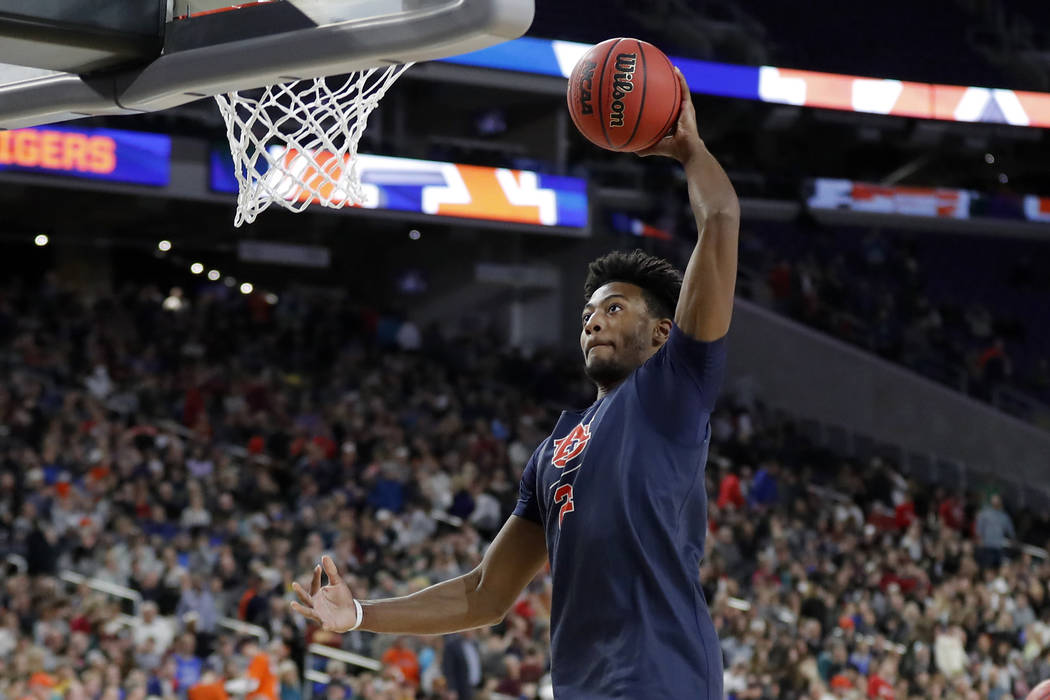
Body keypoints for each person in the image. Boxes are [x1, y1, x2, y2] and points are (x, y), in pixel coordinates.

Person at [290, 67, 739, 699]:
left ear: (662, 334)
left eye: (614, 309)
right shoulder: (552, 454)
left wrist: (689, 149)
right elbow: (484, 593)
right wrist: (361, 614)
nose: (593, 321)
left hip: (664, 681)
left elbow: (719, 222)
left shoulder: (674, 389)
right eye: (587, 313)